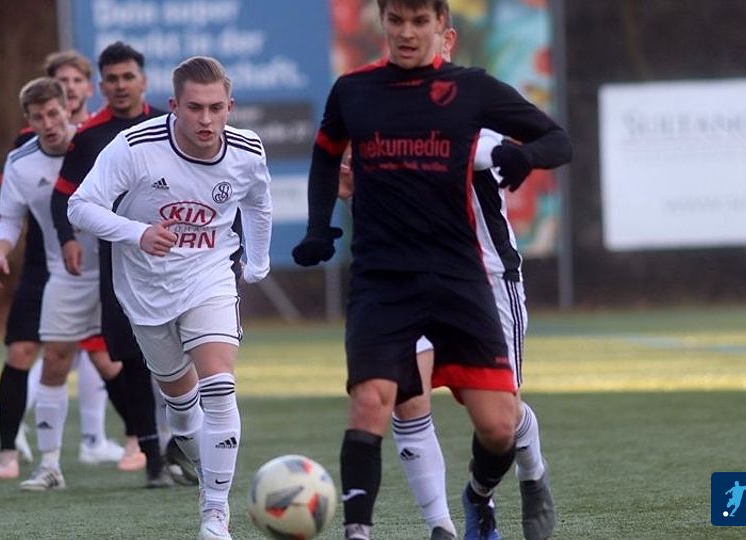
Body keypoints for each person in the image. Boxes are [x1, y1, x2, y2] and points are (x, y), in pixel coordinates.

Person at [292, 1, 572, 539]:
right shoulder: (362, 94)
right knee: (395, 400)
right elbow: (358, 165)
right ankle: (435, 524)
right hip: (390, 279)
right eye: (396, 21)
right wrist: (324, 218)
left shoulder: (474, 111)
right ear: (382, 24)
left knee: (501, 421)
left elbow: (544, 143)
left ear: (446, 36)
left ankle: (509, 481)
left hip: (484, 277)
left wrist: (523, 156)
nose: (409, 35)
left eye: (422, 24)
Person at [68, 55, 272, 540]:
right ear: (173, 105)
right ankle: (204, 468)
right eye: (195, 108)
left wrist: (258, 261)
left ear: (230, 107)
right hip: (145, 289)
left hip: (210, 275)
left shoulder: (247, 151)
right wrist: (137, 232)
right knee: (180, 408)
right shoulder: (135, 147)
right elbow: (80, 206)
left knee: (218, 386)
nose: (206, 120)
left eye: (216, 108)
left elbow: (258, 204)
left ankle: (214, 514)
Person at [50, 41, 182, 484]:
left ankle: (187, 444)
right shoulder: (89, 136)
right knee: (130, 357)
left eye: (128, 77)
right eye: (112, 79)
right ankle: (153, 457)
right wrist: (68, 239)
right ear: (101, 86)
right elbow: (63, 196)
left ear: (143, 81)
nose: (121, 85)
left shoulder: (169, 127)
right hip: (119, 262)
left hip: (176, 259)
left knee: (186, 353)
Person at [0, 51, 122, 480]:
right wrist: (0, 252)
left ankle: (151, 449)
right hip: (61, 271)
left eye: (53, 113)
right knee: (48, 357)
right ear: (28, 119)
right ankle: (39, 463)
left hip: (116, 268)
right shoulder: (21, 161)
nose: (48, 123)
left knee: (126, 361)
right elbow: (9, 218)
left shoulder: (97, 146)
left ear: (69, 107)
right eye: (37, 117)